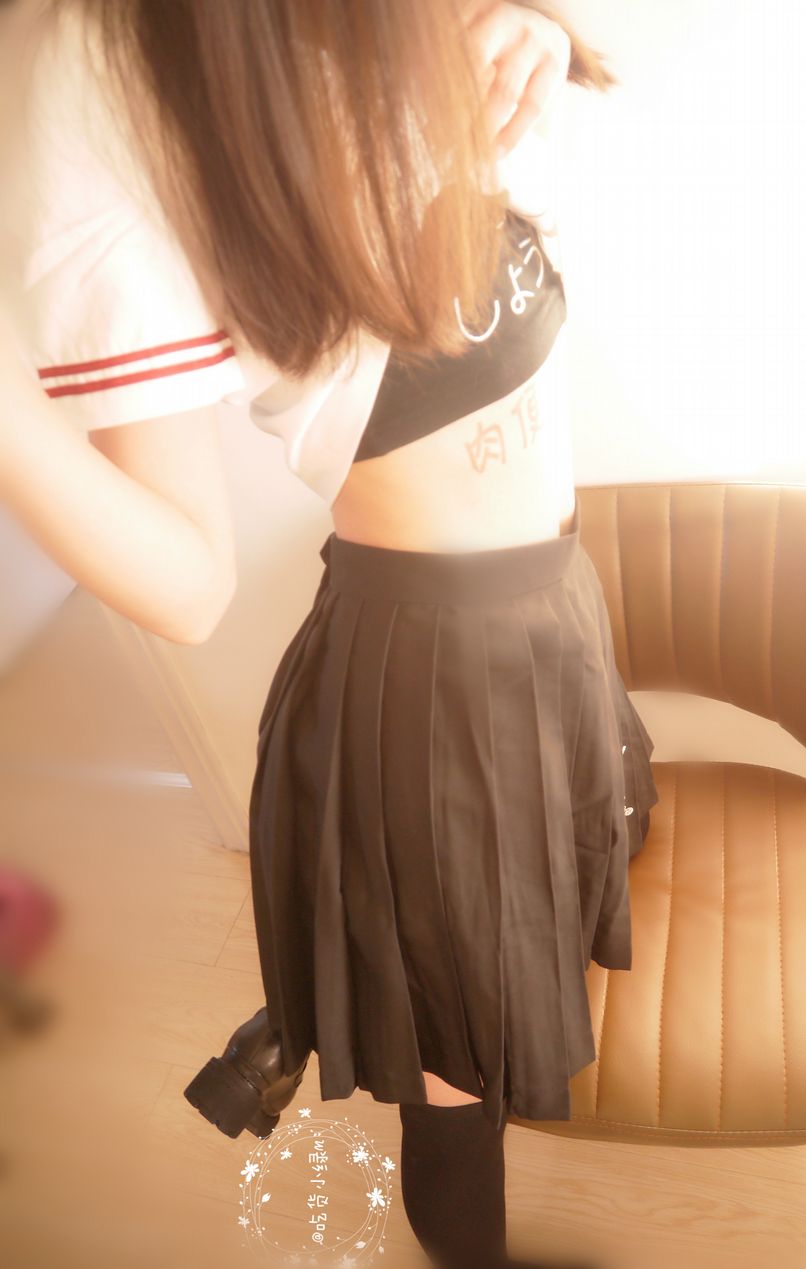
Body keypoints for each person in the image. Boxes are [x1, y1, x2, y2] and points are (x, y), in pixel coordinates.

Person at [0, 2, 659, 1266]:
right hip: (438, 696)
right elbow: (188, 586)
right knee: (459, 1080)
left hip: (554, 608)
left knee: (550, 919)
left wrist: (533, 30)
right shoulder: (94, 69)